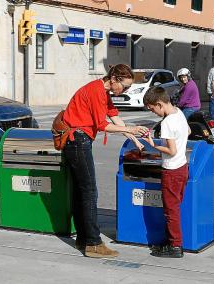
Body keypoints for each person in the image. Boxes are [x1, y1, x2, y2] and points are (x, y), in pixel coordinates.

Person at [63, 64, 148, 258]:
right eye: (124, 87)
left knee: (80, 192)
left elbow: (114, 115)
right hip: (77, 141)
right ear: (114, 79)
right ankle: (93, 243)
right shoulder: (95, 91)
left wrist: (134, 138)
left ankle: (83, 239)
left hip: (77, 141)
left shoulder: (104, 93)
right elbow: (102, 125)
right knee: (89, 192)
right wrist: (131, 130)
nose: (124, 91)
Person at [143, 86, 190, 258]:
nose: (154, 113)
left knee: (170, 210)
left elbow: (171, 150)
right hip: (183, 167)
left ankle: (175, 246)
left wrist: (153, 144)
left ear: (159, 104)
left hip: (171, 170)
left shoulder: (167, 122)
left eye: (153, 109)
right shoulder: (179, 113)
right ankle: (171, 241)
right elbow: (189, 131)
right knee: (175, 207)